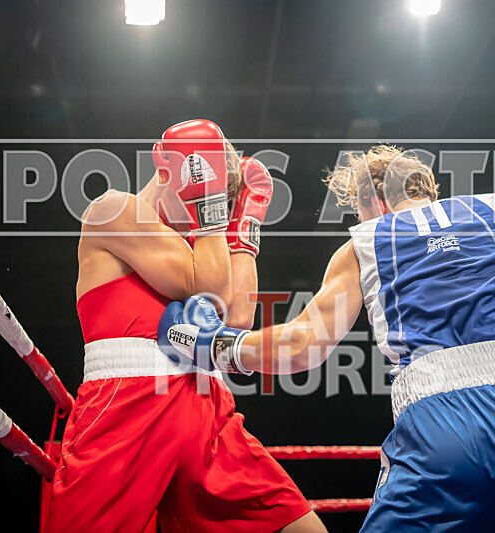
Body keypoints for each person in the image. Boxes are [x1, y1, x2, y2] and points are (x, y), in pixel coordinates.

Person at [158, 144, 495, 532]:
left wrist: (213, 344)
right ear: (427, 188)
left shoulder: (366, 242)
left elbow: (303, 346)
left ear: (374, 203)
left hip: (439, 422)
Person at [46, 119, 325, 533]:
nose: (200, 215)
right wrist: (211, 217)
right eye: (196, 199)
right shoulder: (115, 210)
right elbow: (207, 291)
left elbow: (238, 319)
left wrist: (242, 229)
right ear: (163, 171)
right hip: (126, 407)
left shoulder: (199, 246)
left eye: (211, 205)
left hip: (205, 407)